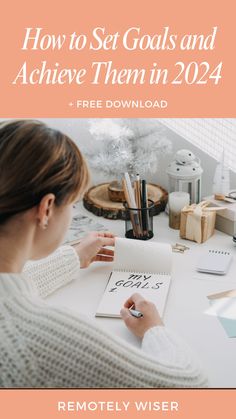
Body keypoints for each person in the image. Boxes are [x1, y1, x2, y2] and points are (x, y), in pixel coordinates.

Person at [0, 120, 207, 388]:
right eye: (73, 204)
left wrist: (73, 257)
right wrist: (154, 330)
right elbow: (192, 387)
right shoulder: (35, 337)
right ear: (47, 209)